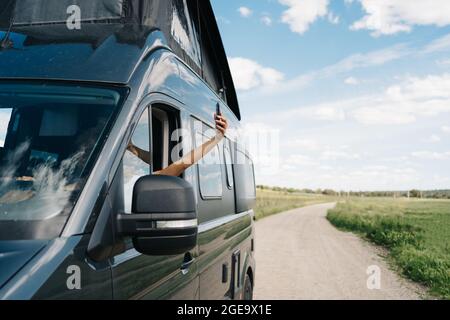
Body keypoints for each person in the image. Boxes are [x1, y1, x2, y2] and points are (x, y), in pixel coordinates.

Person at [127, 113, 228, 177]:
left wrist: (130, 148)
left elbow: (148, 157)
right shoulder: (141, 181)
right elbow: (183, 163)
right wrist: (217, 138)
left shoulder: (133, 180)